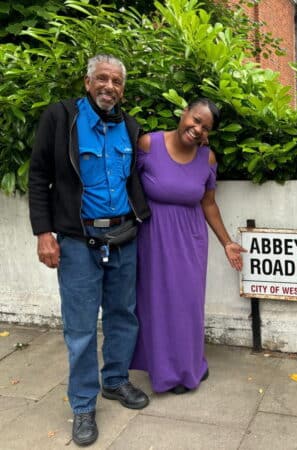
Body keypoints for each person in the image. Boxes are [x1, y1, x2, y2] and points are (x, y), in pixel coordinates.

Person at [28, 54, 152, 446]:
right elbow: (39, 177)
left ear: (122, 90)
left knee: (123, 315)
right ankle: (83, 404)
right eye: (102, 79)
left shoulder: (130, 128)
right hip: (78, 240)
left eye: (116, 82)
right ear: (87, 82)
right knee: (80, 328)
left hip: (124, 236)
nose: (109, 87)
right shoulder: (61, 119)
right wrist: (43, 232)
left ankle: (115, 381)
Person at [130, 98, 245, 395]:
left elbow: (209, 204)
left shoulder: (206, 158)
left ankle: (190, 366)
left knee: (187, 305)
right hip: (153, 238)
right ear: (184, 114)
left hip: (191, 241)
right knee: (155, 303)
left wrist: (227, 242)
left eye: (204, 127)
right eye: (195, 120)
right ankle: (164, 371)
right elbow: (127, 186)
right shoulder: (148, 144)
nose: (197, 129)